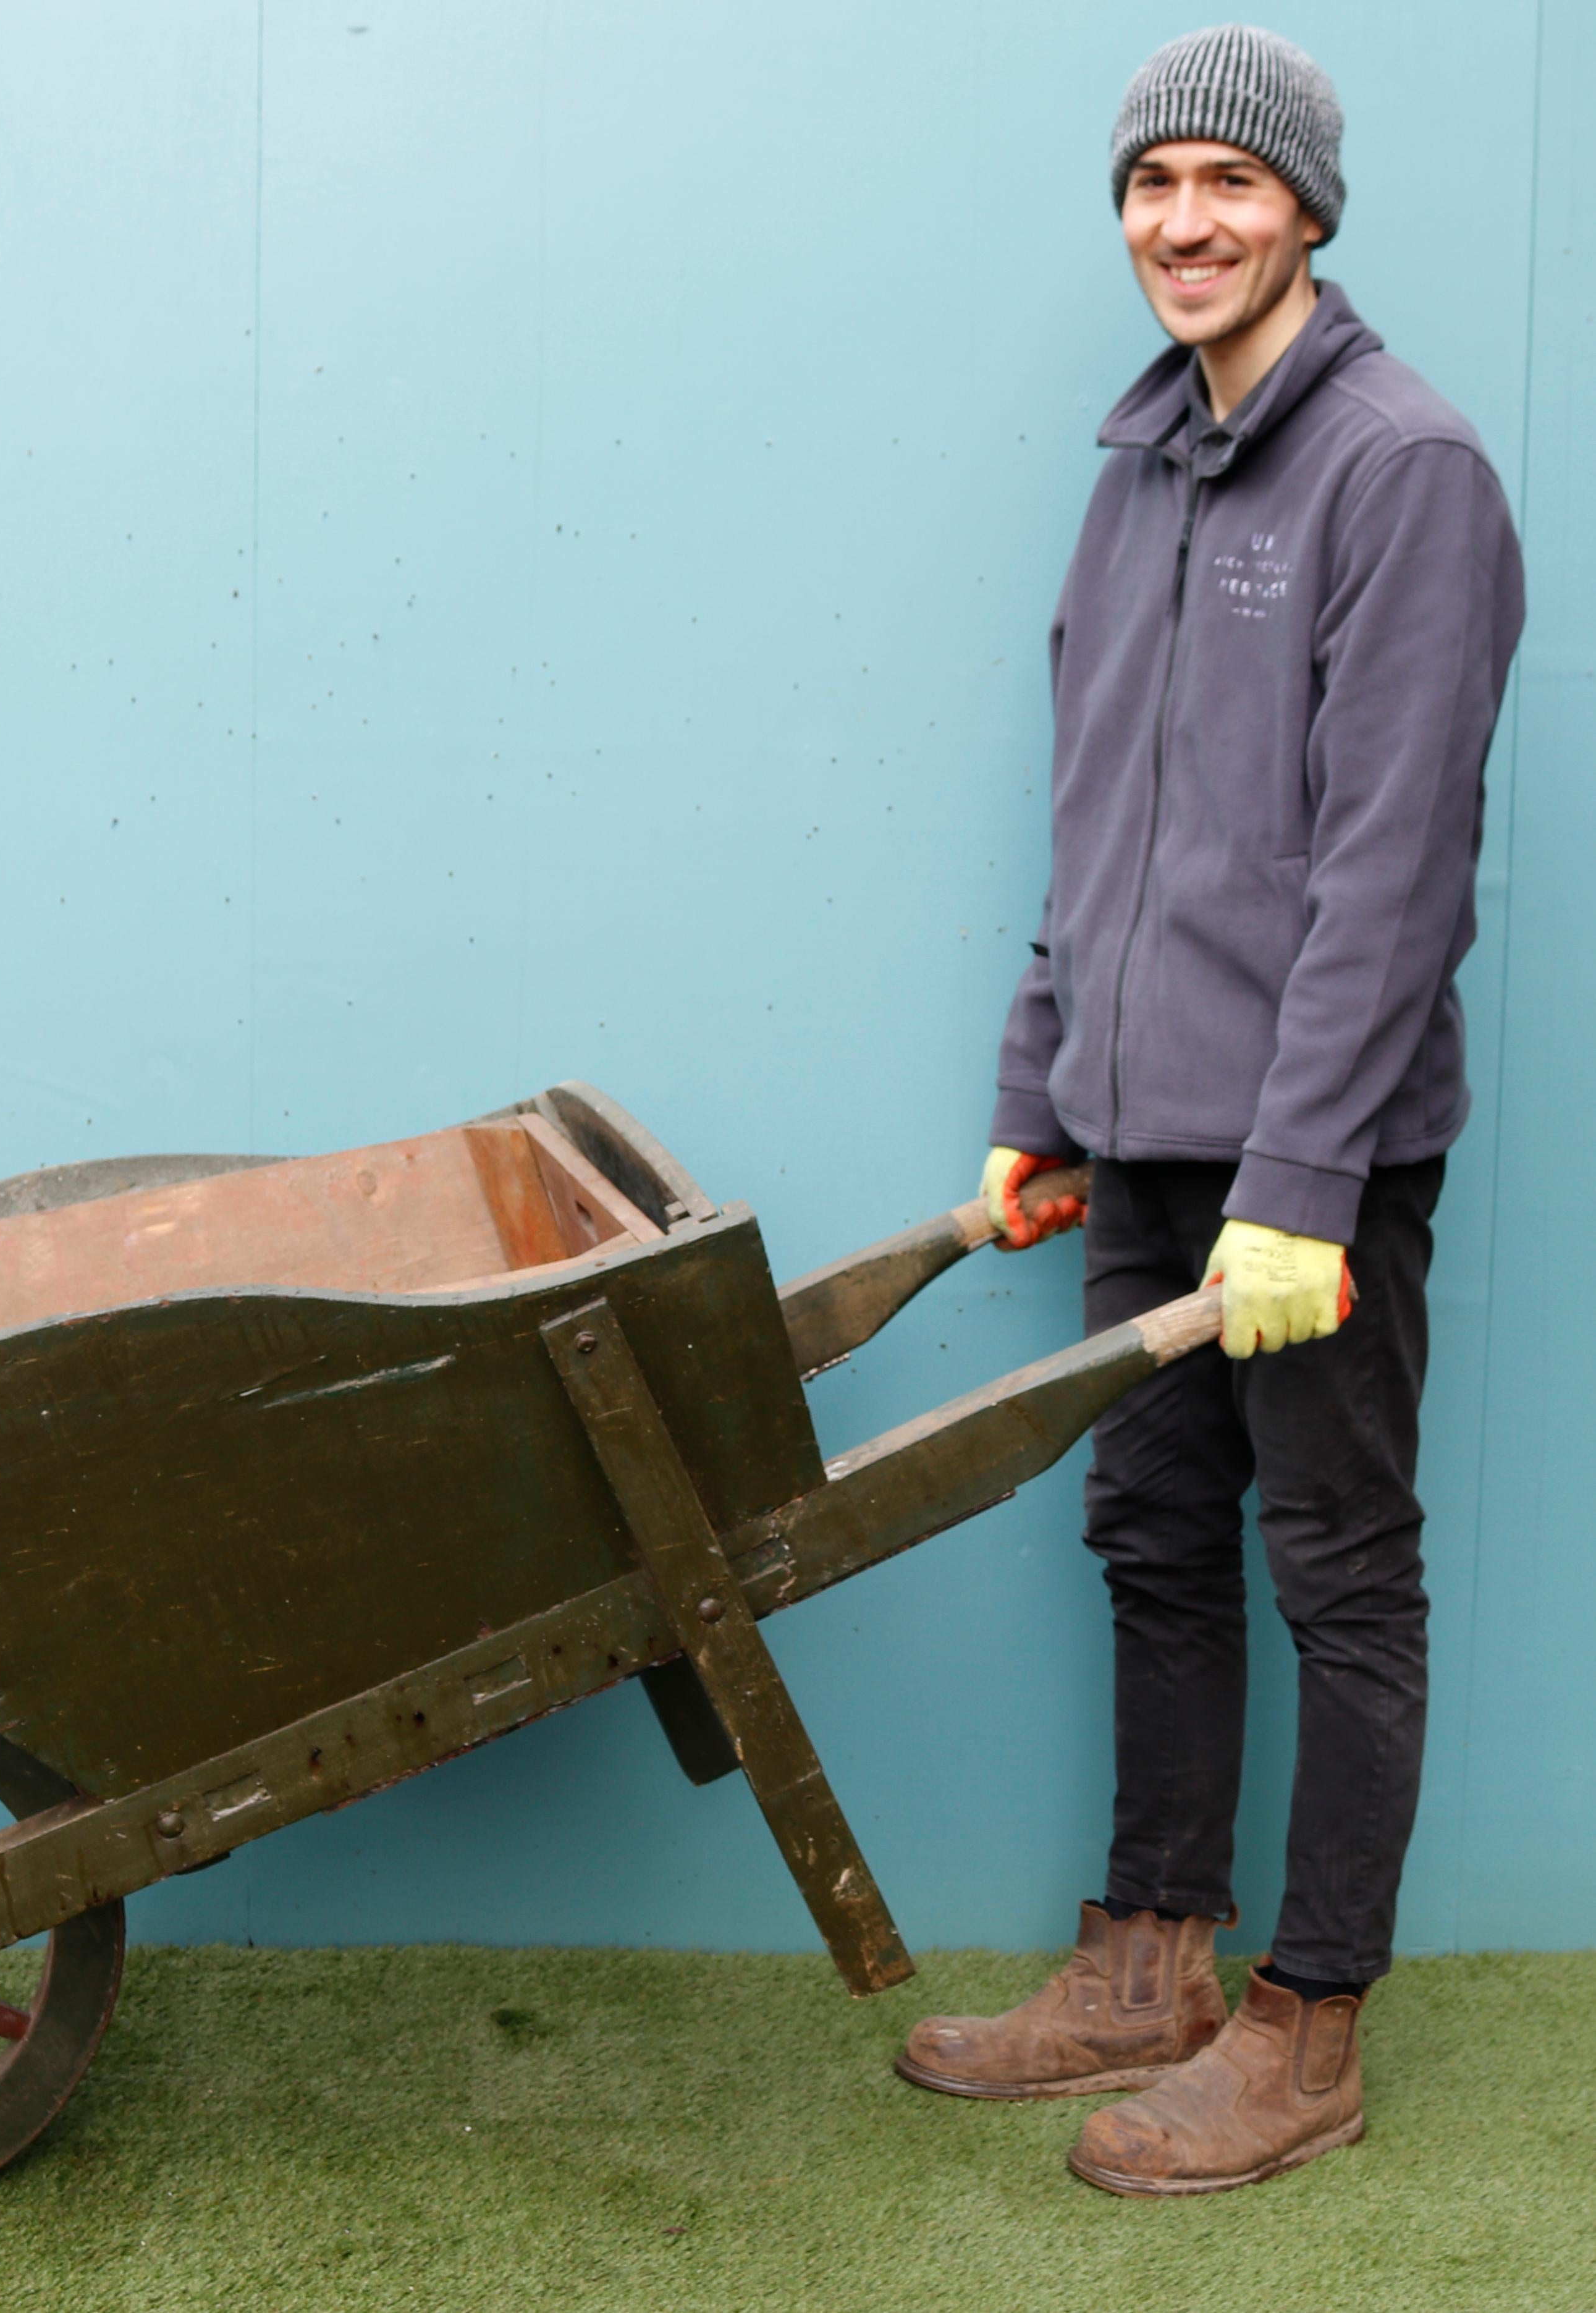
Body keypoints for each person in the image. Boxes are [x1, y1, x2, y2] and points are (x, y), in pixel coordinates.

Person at [893, 25, 1525, 2196]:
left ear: (1309, 211)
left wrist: (1303, 1183)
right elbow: (1098, 826)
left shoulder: (1402, 469)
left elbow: (1391, 869)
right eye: (1152, 184)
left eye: (1227, 185)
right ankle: (1153, 1955)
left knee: (1341, 1568)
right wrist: (1038, 1090)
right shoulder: (1138, 465)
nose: (1185, 222)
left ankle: (1309, 2021)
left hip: (1309, 1168)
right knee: (1153, 1539)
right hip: (1143, 1129)